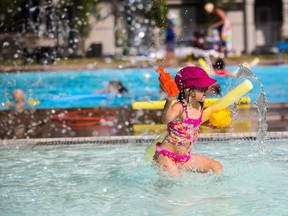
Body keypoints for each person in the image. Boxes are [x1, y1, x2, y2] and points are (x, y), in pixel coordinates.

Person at [153, 66, 223, 176]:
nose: (206, 91)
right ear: (187, 90)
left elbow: (190, 123)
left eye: (206, 88)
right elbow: (166, 119)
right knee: (176, 183)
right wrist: (169, 100)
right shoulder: (180, 107)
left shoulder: (198, 107)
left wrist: (209, 124)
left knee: (217, 167)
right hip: (166, 156)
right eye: (202, 88)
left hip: (183, 158)